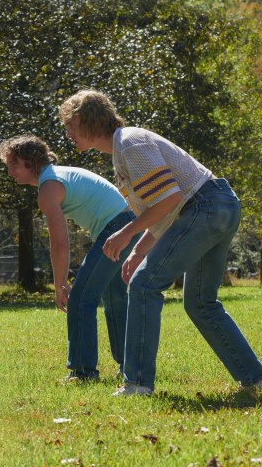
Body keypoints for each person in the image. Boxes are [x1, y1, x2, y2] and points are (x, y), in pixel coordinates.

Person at [60, 89, 262, 396]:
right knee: (200, 303)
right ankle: (255, 379)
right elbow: (164, 209)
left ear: (88, 121)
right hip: (217, 206)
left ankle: (137, 383)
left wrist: (127, 234)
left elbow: (171, 199)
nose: (67, 132)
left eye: (70, 124)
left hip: (204, 207)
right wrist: (138, 250)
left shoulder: (129, 142)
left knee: (144, 285)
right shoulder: (123, 147)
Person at [0, 134, 140, 381]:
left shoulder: (49, 187)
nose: (10, 172)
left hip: (118, 227)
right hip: (129, 223)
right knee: (114, 297)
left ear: (32, 162)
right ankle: (129, 366)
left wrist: (60, 283)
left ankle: (83, 372)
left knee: (81, 298)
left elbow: (60, 244)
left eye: (14, 164)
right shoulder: (56, 176)